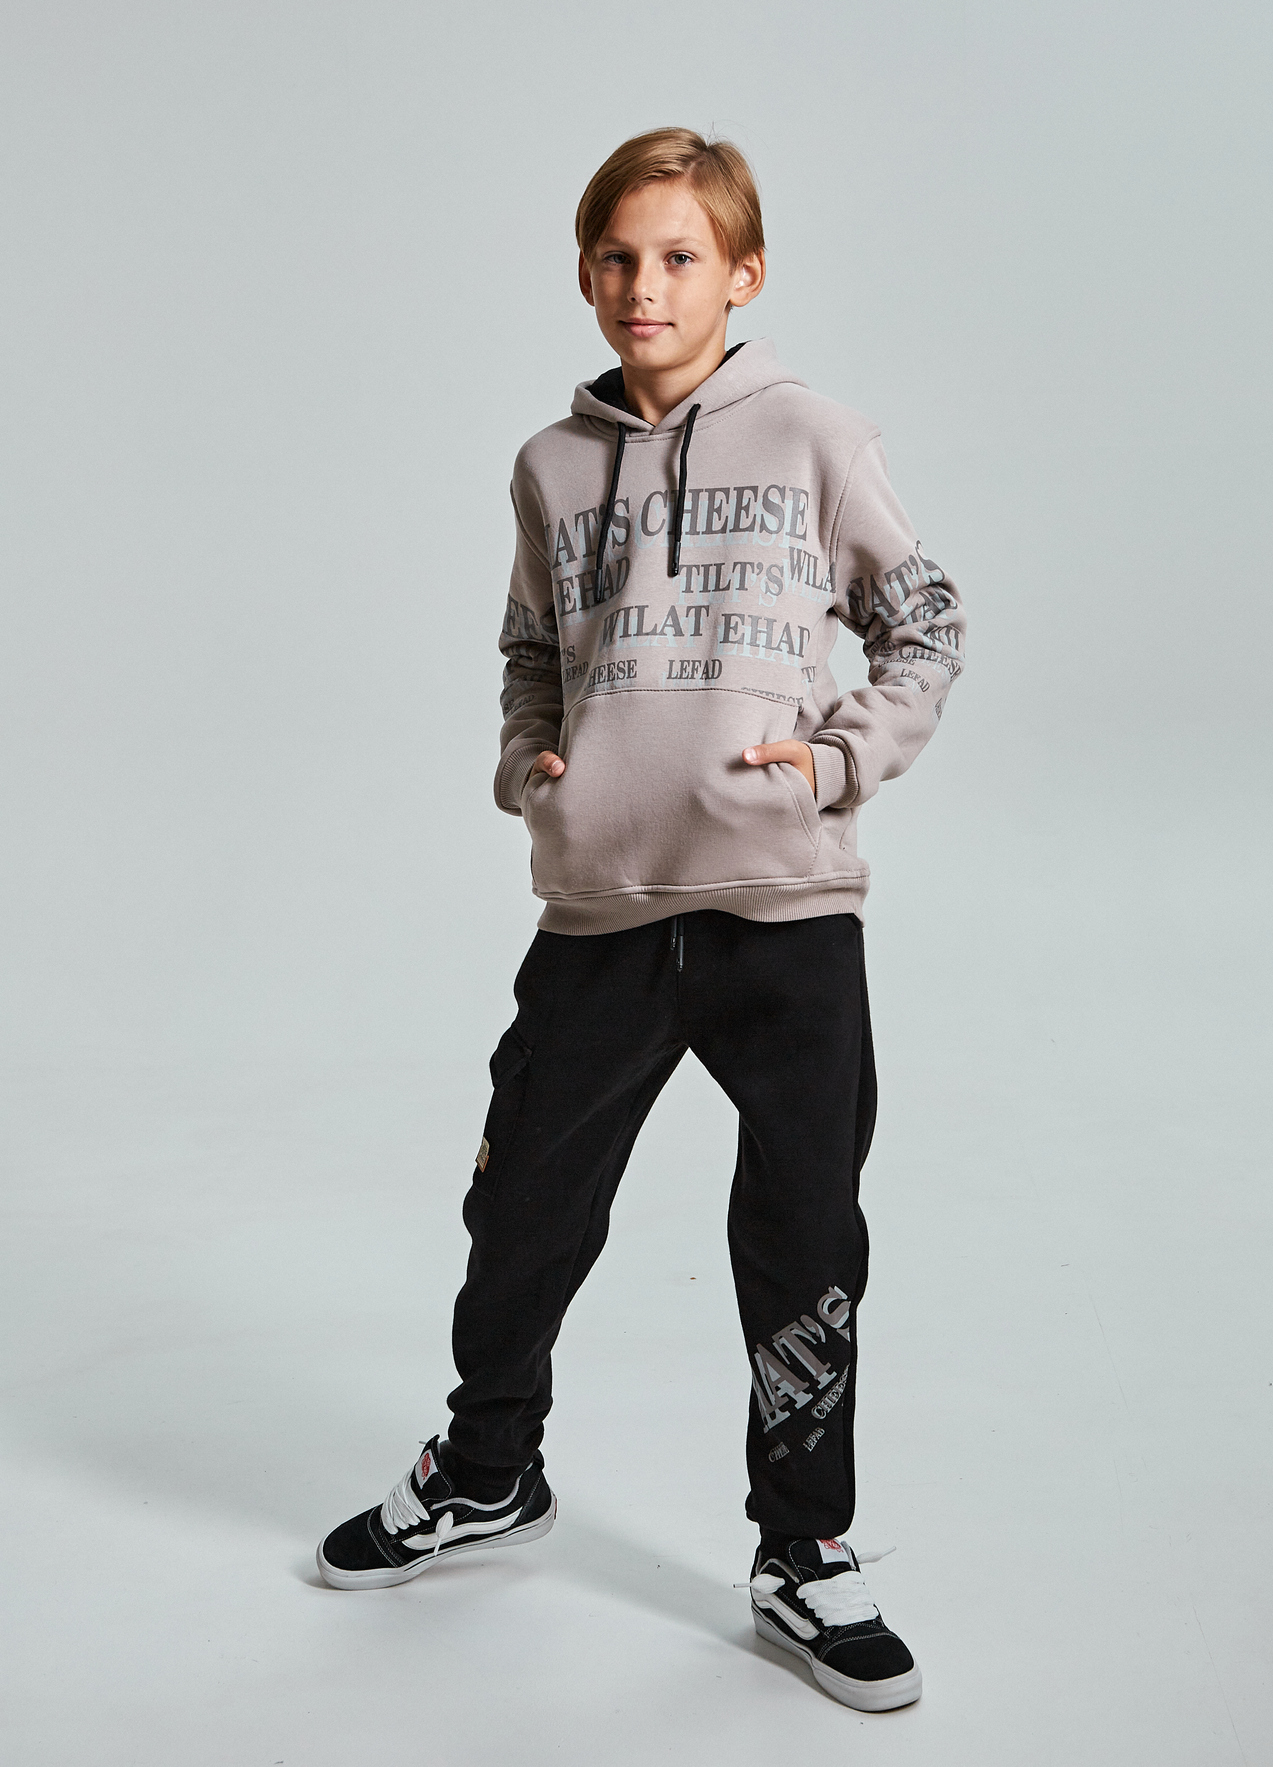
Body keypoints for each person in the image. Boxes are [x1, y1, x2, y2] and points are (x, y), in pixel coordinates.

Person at [317, 128, 964, 1713]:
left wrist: (835, 759)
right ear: (584, 272)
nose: (642, 286)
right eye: (615, 256)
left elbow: (926, 625)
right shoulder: (549, 464)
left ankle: (803, 1549)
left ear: (742, 276)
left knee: (802, 1237)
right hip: (601, 907)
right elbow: (529, 652)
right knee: (520, 1211)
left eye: (678, 257)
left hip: (781, 913)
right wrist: (528, 764)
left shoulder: (813, 436)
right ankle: (488, 1473)